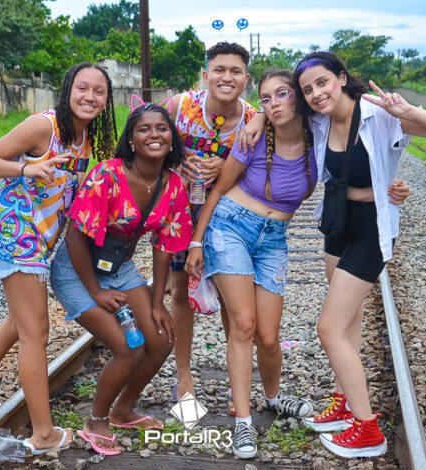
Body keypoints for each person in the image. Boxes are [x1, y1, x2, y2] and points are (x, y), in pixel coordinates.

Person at [244, 51, 426, 458]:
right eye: (307, 89)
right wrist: (258, 117)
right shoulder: (318, 119)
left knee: (329, 328)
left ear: (341, 78)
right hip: (336, 225)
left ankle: (367, 430)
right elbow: (278, 111)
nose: (316, 93)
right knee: (349, 322)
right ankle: (345, 402)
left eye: (322, 82)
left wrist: (408, 111)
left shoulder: (379, 114)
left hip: (368, 231)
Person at [0, 62, 116, 455]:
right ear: (68, 90)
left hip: (37, 241)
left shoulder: (86, 136)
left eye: (99, 91)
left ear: (107, 100)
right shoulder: (44, 127)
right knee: (35, 333)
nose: (90, 97)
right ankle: (43, 435)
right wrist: (26, 167)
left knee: (17, 324)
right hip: (15, 237)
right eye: (82, 88)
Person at [185, 69, 320, 459]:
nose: (273, 104)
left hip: (274, 239)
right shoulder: (254, 137)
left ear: (299, 97)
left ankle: (274, 397)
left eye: (282, 94)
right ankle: (242, 421)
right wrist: (197, 240)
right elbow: (219, 189)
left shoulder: (319, 139)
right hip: (230, 227)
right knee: (243, 324)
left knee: (269, 337)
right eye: (265, 99)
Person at [50, 102, 192, 456]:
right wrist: (96, 291)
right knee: (129, 348)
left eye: (162, 128)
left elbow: (164, 247)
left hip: (119, 267)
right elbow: (75, 237)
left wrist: (157, 303)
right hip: (77, 269)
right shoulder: (107, 175)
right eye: (144, 129)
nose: (154, 135)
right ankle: (96, 419)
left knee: (161, 339)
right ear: (131, 139)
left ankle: (123, 410)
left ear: (172, 138)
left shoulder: (174, 186)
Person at [168, 42, 259, 414]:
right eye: (219, 69)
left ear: (246, 79)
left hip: (228, 217)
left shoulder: (254, 120)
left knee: (231, 299)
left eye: (235, 71)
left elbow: (263, 172)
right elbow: (145, 139)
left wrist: (226, 167)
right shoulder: (180, 106)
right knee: (180, 293)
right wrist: (177, 159)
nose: (227, 77)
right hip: (180, 213)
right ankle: (184, 377)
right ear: (205, 75)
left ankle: (238, 385)